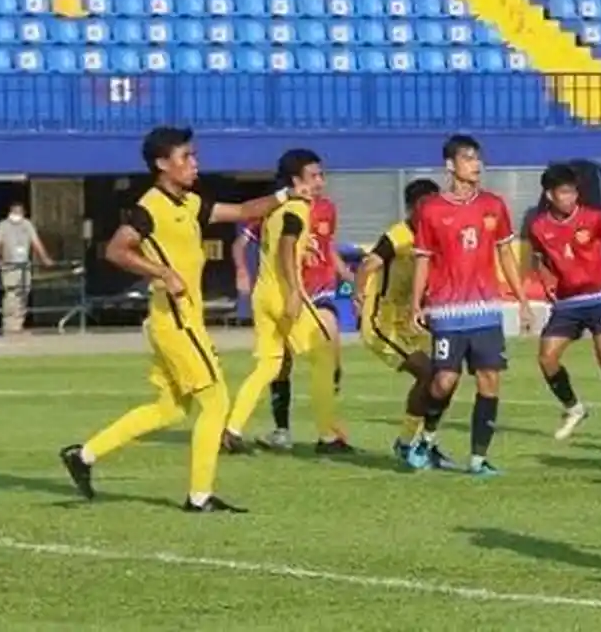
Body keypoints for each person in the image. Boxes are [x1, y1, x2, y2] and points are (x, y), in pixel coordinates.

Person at [59, 126, 300, 512]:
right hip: (176, 322)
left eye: (194, 155)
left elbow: (241, 212)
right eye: (186, 156)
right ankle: (199, 496)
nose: (194, 163)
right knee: (216, 402)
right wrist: (162, 272)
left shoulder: (188, 202)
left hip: (180, 320)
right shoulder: (148, 208)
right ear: (161, 163)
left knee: (170, 408)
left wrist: (287, 194)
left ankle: (84, 455)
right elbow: (117, 250)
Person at [406, 135, 535, 476]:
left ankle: (478, 459)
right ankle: (427, 438)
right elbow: (422, 259)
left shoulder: (493, 205)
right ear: (450, 165)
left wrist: (521, 299)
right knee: (444, 381)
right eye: (467, 158)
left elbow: (506, 254)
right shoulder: (431, 209)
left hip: (485, 308)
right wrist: (414, 304)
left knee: (490, 380)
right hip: (446, 310)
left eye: (478, 158)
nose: (476, 164)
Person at [224, 149, 349, 455]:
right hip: (284, 295)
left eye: (321, 175)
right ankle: (327, 435)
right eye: (313, 176)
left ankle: (232, 428)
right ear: (296, 181)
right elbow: (286, 245)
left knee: (269, 365)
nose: (320, 182)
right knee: (323, 356)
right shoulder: (296, 209)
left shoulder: (274, 210)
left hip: (263, 295)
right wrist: (295, 289)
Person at [353, 177, 457, 469]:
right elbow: (368, 263)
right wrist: (359, 293)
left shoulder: (435, 235)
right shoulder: (400, 234)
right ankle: (405, 443)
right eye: (428, 204)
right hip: (382, 322)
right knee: (427, 373)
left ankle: (426, 443)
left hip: (412, 320)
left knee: (445, 376)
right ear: (413, 207)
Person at [527, 164, 601, 443]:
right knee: (547, 358)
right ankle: (574, 408)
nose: (570, 198)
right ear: (550, 195)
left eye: (573, 192)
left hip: (599, 296)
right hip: (567, 302)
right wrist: (546, 282)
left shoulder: (594, 218)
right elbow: (538, 258)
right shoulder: (539, 227)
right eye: (563, 193)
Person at [0, 202, 53, 335]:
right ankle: (9, 324)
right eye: (15, 211)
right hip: (10, 265)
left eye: (19, 211)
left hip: (24, 265)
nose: (17, 214)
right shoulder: (3, 225)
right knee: (11, 293)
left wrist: (44, 258)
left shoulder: (27, 224)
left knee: (24, 292)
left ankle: (19, 322)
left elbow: (35, 242)